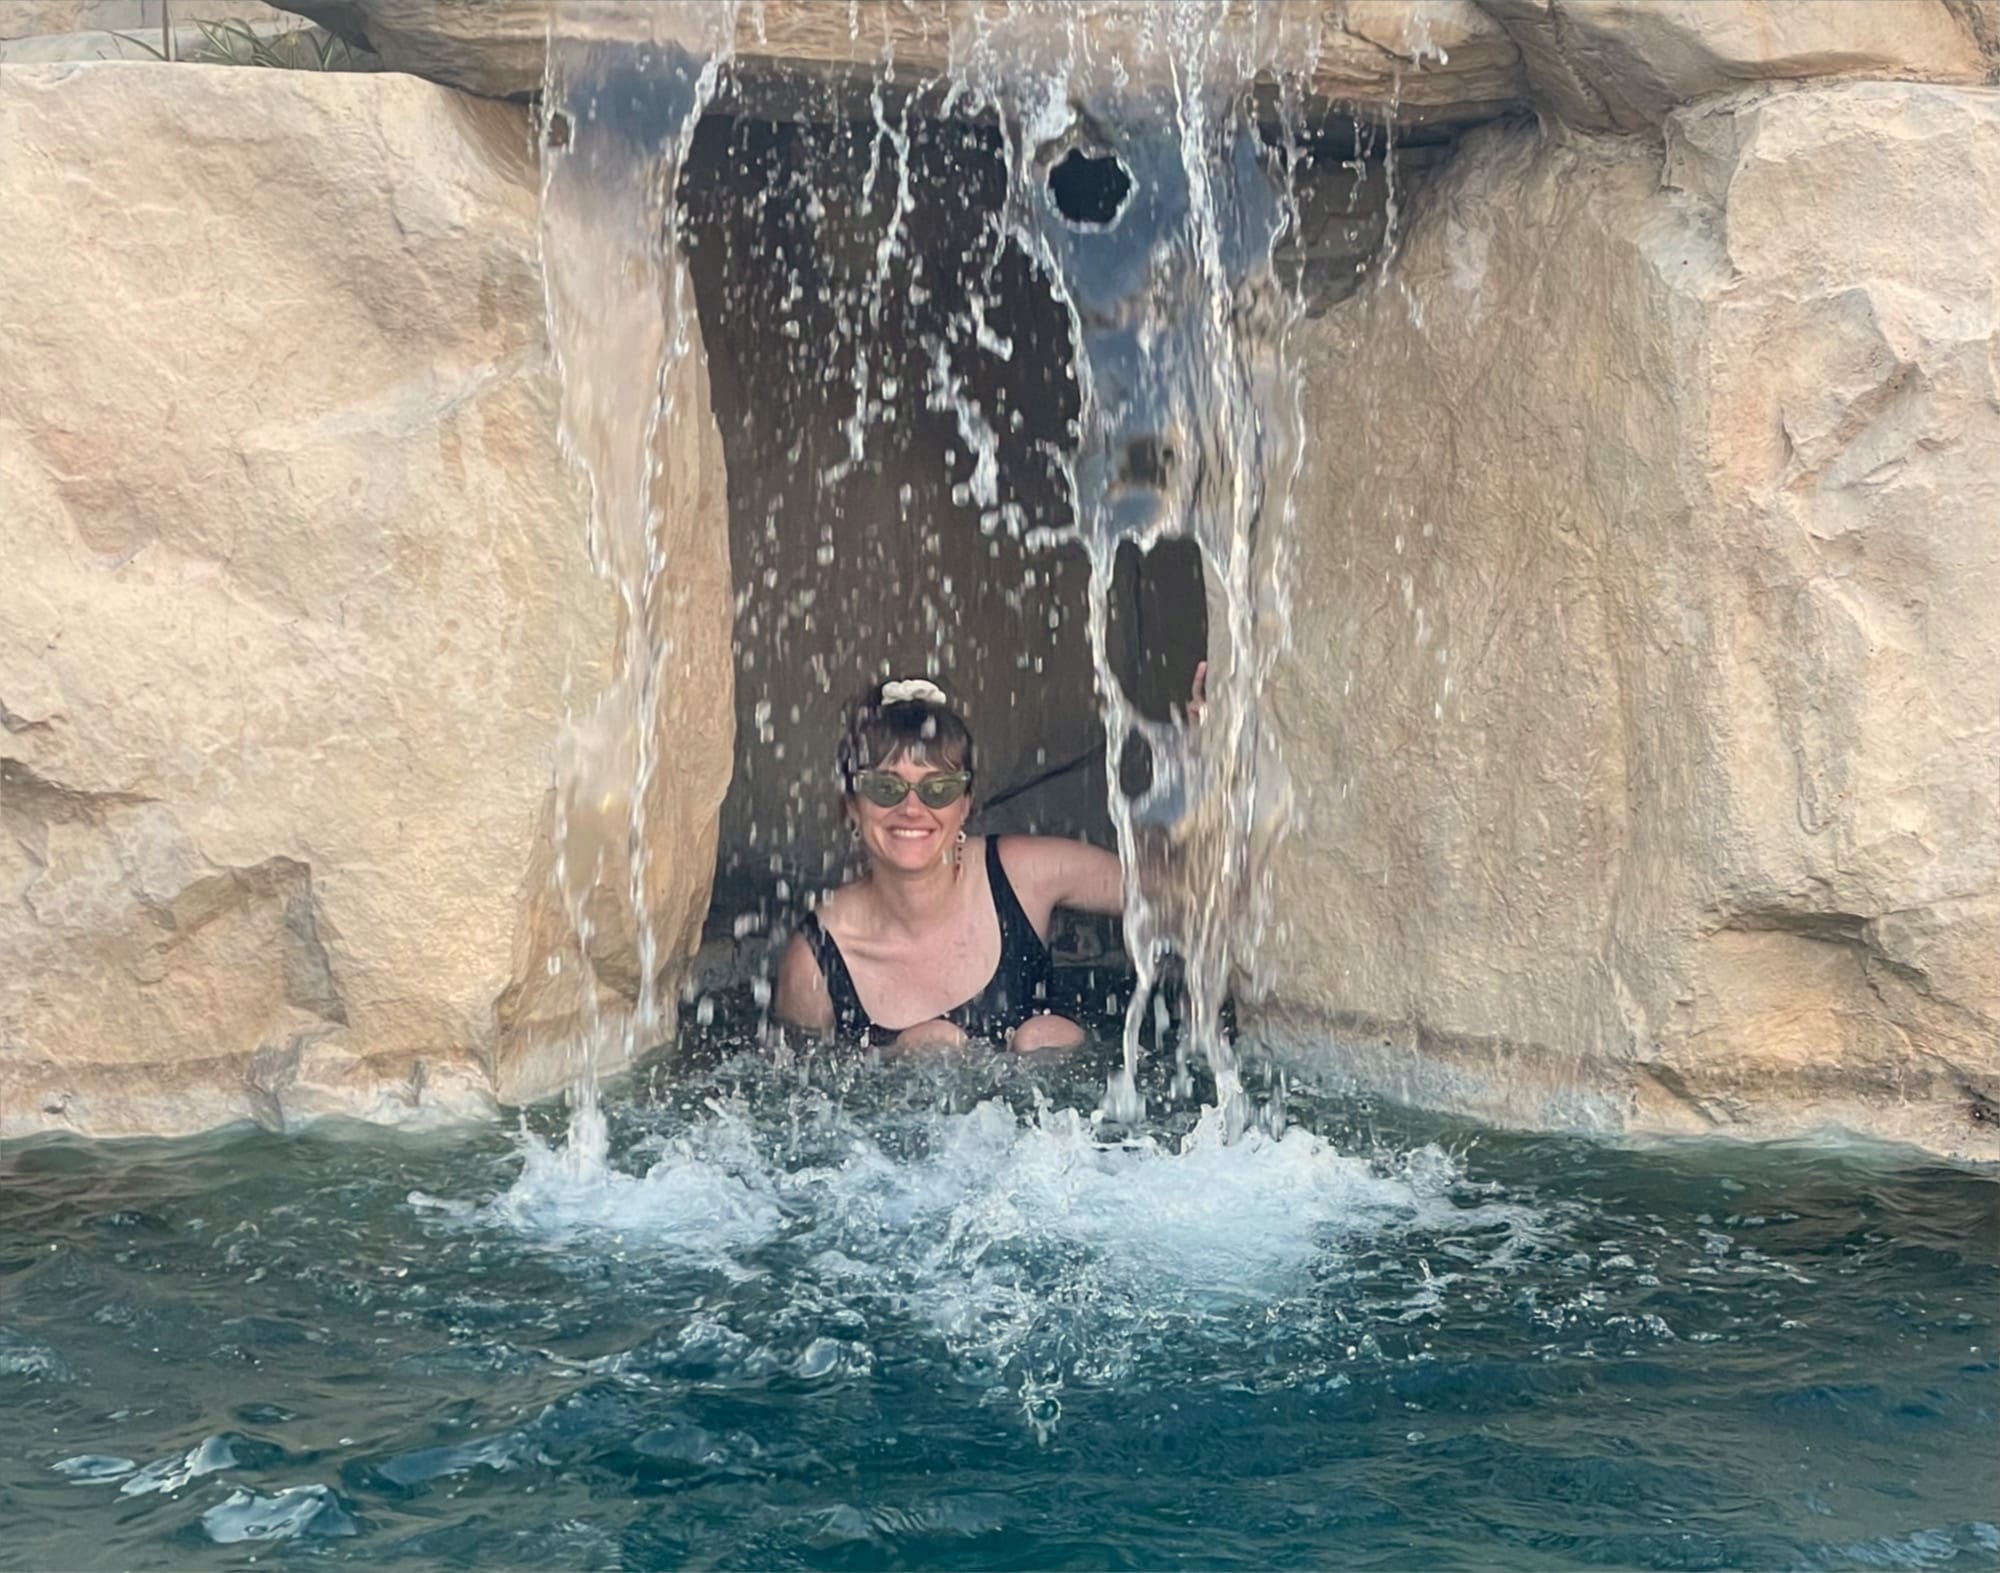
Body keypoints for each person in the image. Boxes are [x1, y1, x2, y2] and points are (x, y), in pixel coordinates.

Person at [775, 673, 1198, 1052]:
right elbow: (791, 1101)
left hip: (1058, 1134)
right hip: (900, 1136)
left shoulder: (1020, 875)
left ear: (965, 805)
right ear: (852, 805)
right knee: (930, 1046)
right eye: (885, 788)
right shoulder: (818, 959)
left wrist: (1209, 763)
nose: (911, 808)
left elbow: (1185, 891)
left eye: (938, 789)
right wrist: (892, 1065)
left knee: (1047, 1037)